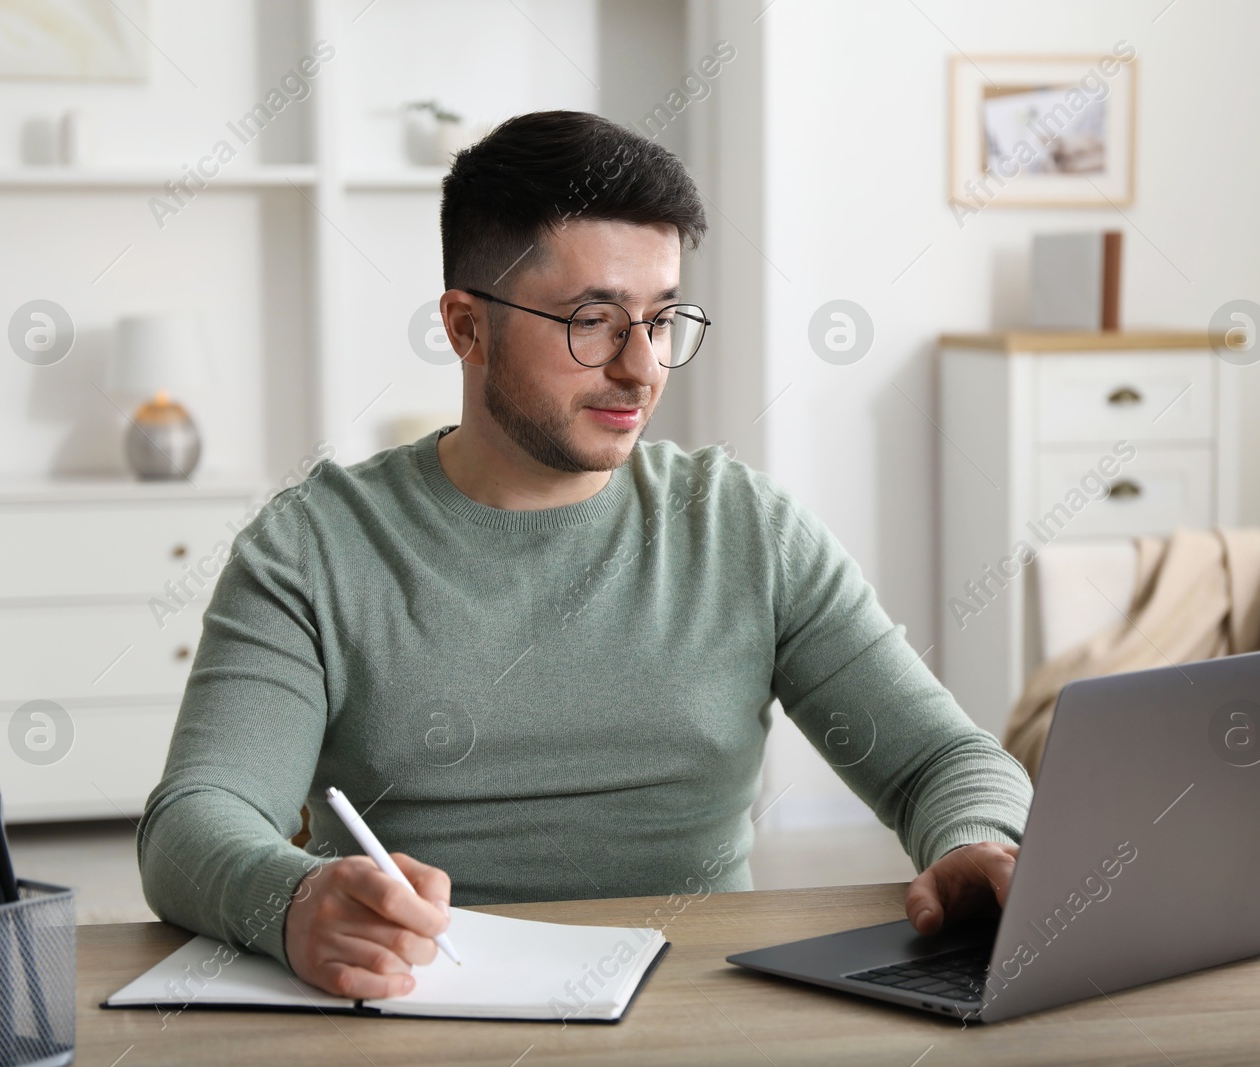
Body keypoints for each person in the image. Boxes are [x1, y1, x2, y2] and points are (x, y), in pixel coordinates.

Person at [138, 110, 1033, 1000]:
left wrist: (972, 841)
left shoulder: (742, 527)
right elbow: (195, 821)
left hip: (700, 1016)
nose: (642, 367)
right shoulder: (314, 546)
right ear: (464, 326)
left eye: (663, 319)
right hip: (417, 1005)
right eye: (593, 321)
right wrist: (293, 901)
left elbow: (940, 761)